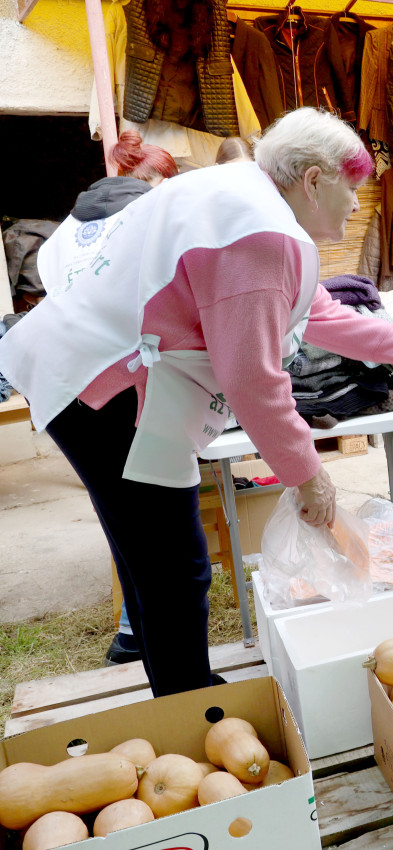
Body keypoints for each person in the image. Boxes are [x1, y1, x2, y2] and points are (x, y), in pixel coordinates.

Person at [0, 108, 393, 697]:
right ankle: (188, 706)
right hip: (100, 390)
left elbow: (319, 315)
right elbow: (252, 379)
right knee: (174, 563)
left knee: (150, 553)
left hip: (78, 370)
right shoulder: (257, 231)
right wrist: (309, 476)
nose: (357, 205)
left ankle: (178, 687)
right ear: (313, 179)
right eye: (353, 187)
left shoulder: (247, 197)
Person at [42, 130, 180, 667]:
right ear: (144, 186)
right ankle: (150, 653)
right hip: (113, 394)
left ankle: (132, 636)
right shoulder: (139, 231)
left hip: (68, 394)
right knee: (161, 538)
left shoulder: (74, 234)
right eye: (163, 185)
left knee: (123, 519)